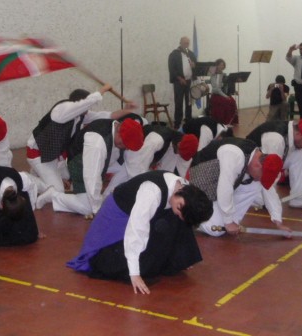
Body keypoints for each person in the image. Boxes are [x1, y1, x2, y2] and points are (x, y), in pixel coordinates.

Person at [66, 170, 213, 294]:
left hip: (134, 217)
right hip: (114, 228)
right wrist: (135, 274)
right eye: (180, 212)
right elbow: (136, 230)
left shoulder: (184, 189)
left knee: (175, 221)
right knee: (142, 261)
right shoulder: (152, 192)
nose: (179, 215)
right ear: (181, 203)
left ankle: (178, 259)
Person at [27, 84, 137, 194]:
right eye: (85, 105)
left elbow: (105, 115)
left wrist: (126, 110)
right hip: (38, 154)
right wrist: (102, 90)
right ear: (77, 104)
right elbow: (84, 104)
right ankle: (25, 178)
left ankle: (39, 173)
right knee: (58, 190)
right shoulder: (60, 110)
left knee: (69, 175)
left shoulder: (81, 114)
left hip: (54, 156)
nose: (88, 109)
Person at [37, 118, 145, 217]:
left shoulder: (115, 126)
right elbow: (92, 177)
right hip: (78, 165)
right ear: (119, 134)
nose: (125, 149)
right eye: (124, 145)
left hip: (100, 161)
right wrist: (97, 209)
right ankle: (54, 195)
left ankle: (106, 196)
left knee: (126, 168)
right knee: (87, 207)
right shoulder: (97, 143)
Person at [189, 137, 289, 238]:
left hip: (215, 183)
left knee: (256, 184)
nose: (259, 180)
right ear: (258, 165)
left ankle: (229, 220)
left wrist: (278, 222)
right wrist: (228, 221)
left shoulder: (257, 156)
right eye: (261, 177)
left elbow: (269, 191)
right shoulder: (234, 154)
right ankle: (195, 215)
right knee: (215, 229)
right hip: (197, 183)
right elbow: (225, 187)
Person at [246, 119, 302, 210]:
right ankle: (255, 196)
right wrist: (270, 198)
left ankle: (298, 197)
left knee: (300, 155)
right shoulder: (275, 139)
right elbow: (270, 169)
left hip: (268, 161)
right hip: (251, 168)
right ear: (298, 135)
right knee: (263, 200)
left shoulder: (294, 133)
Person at [125, 126, 199, 179]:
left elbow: (182, 171)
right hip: (130, 155)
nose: (178, 154)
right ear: (179, 145)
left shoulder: (178, 142)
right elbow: (136, 164)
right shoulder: (156, 140)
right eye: (179, 153)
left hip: (144, 160)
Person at [168, 36, 196, 129]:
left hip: (189, 82)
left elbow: (196, 68)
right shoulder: (174, 54)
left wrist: (194, 66)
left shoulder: (191, 54)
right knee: (179, 102)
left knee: (189, 102)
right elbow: (172, 69)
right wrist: (180, 78)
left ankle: (189, 121)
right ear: (180, 43)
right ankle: (177, 123)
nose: (186, 45)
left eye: (188, 43)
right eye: (185, 43)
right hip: (179, 82)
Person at [208, 58, 239, 125]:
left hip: (223, 94)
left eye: (223, 65)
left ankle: (231, 121)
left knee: (232, 101)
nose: (222, 66)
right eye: (220, 65)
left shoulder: (224, 75)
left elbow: (227, 86)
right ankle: (225, 122)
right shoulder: (213, 75)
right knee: (227, 101)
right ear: (216, 66)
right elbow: (217, 89)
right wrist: (226, 96)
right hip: (216, 95)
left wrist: (234, 91)